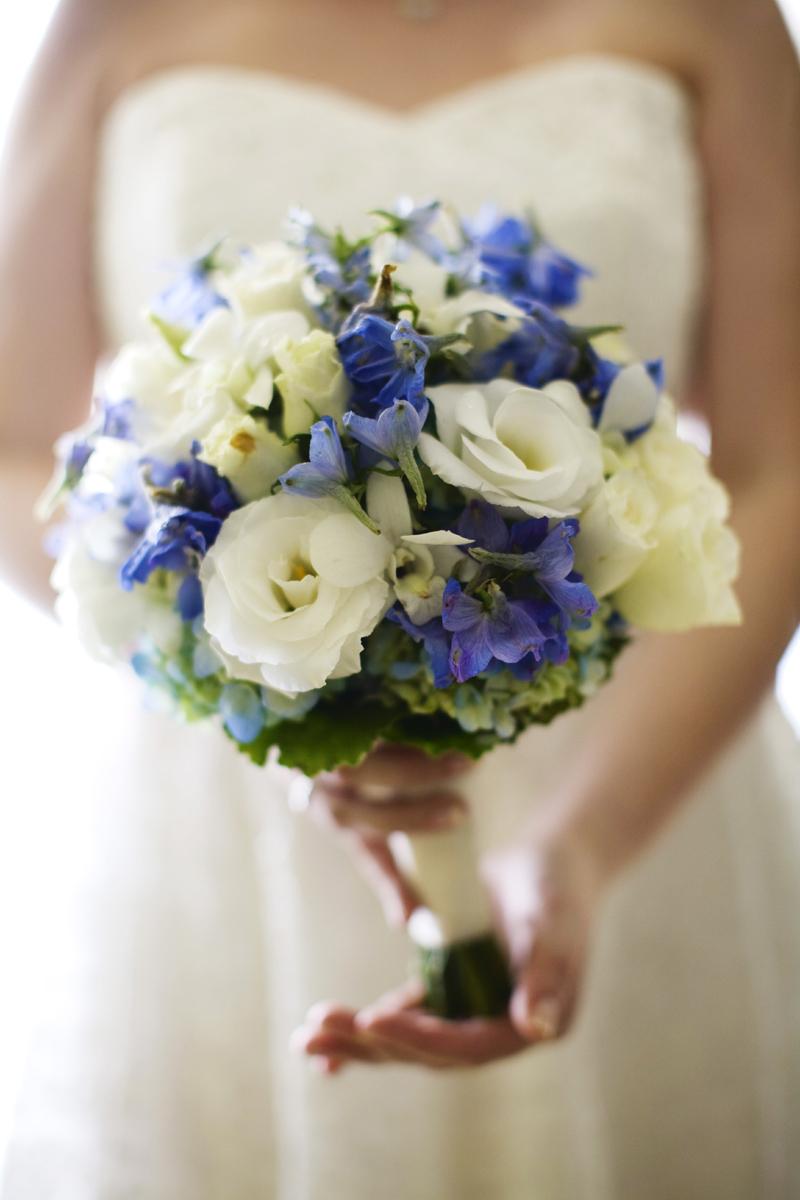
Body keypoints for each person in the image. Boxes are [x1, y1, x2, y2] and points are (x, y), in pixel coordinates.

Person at [1, 0, 798, 1195]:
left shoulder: (713, 22)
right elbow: (19, 448)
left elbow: (773, 465)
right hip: (230, 777)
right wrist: (250, 683)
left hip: (630, 767)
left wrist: (584, 842)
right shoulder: (113, 23)